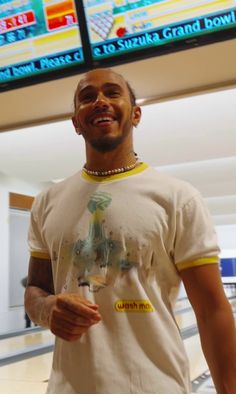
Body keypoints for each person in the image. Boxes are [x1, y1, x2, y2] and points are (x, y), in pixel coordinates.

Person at [25, 68, 236, 394]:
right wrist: (45, 308)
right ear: (76, 122)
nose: (100, 102)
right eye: (87, 97)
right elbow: (35, 289)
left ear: (135, 114)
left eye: (112, 93)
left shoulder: (177, 198)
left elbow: (211, 310)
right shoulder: (47, 202)